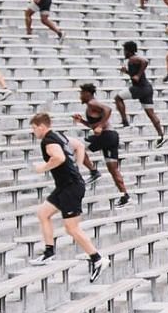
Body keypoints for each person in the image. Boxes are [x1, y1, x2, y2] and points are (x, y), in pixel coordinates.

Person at [29, 113, 111, 282]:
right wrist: (78, 167)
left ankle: (98, 259)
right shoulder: (59, 135)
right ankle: (49, 252)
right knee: (43, 214)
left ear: (41, 127)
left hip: (71, 188)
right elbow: (79, 146)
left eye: (33, 128)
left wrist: (42, 168)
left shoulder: (48, 141)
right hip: (66, 186)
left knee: (71, 228)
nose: (33, 132)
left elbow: (59, 157)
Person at [71, 84, 131, 207]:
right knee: (113, 170)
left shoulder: (93, 103)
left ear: (88, 93)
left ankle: (93, 171)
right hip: (111, 136)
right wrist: (82, 121)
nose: (80, 96)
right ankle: (125, 195)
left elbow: (108, 110)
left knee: (77, 146)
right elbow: (94, 126)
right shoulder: (91, 107)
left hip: (107, 135)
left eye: (82, 93)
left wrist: (100, 126)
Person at [114, 41, 167, 147]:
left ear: (129, 51)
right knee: (151, 114)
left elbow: (145, 61)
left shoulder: (133, 58)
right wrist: (127, 72)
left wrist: (138, 75)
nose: (124, 52)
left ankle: (125, 121)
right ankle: (161, 135)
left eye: (125, 50)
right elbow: (135, 74)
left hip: (140, 88)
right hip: (147, 89)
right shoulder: (131, 61)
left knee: (118, 98)